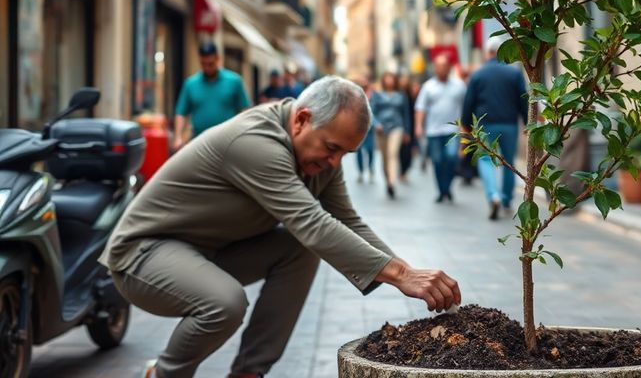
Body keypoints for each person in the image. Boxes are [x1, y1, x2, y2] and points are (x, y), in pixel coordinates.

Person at [100, 76, 460, 378]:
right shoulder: (255, 142)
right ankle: (163, 374)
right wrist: (399, 275)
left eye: (344, 155)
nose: (335, 162)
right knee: (224, 303)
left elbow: (348, 221)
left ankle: (247, 373)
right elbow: (311, 222)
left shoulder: (319, 158)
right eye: (332, 148)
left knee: (299, 248)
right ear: (301, 120)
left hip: (206, 252)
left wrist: (411, 273)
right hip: (144, 254)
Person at [461, 36, 528, 220]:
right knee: (508, 162)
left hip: (485, 124)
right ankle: (506, 199)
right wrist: (527, 122)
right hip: (509, 124)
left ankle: (493, 196)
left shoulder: (478, 74)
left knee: (485, 160)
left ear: (488, 52)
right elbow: (524, 99)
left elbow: (469, 102)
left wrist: (466, 124)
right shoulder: (514, 73)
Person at [173, 42, 251, 150]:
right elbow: (181, 113)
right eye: (203, 64)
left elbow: (245, 111)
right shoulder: (190, 84)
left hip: (229, 143)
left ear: (218, 59)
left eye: (210, 63)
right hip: (199, 143)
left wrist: (246, 135)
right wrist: (178, 137)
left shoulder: (234, 81)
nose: (207, 67)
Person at [415, 54, 466, 202]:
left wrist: (465, 128)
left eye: (444, 66)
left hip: (453, 132)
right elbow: (420, 107)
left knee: (451, 158)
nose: (441, 69)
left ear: (449, 67)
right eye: (438, 66)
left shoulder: (459, 85)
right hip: (433, 131)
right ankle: (443, 190)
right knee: (437, 161)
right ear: (435, 68)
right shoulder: (428, 86)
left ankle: (446, 188)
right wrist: (418, 126)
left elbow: (466, 108)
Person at [370, 71, 411, 199]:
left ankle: (392, 182)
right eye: (387, 78)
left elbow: (406, 114)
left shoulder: (401, 95)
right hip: (381, 129)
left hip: (397, 127)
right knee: (385, 157)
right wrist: (376, 124)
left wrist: (407, 131)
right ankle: (388, 181)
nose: (389, 81)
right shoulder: (377, 95)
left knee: (393, 153)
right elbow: (371, 111)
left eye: (391, 78)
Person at [398, 74, 420, 180]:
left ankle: (404, 170)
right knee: (401, 150)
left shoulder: (411, 96)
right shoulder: (398, 95)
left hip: (410, 125)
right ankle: (401, 170)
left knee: (408, 150)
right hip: (399, 126)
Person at [355, 75, 376, 182]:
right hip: (359, 127)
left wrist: (377, 122)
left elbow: (376, 110)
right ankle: (361, 171)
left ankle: (371, 168)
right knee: (358, 150)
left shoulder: (374, 95)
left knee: (370, 150)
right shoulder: (356, 95)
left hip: (371, 128)